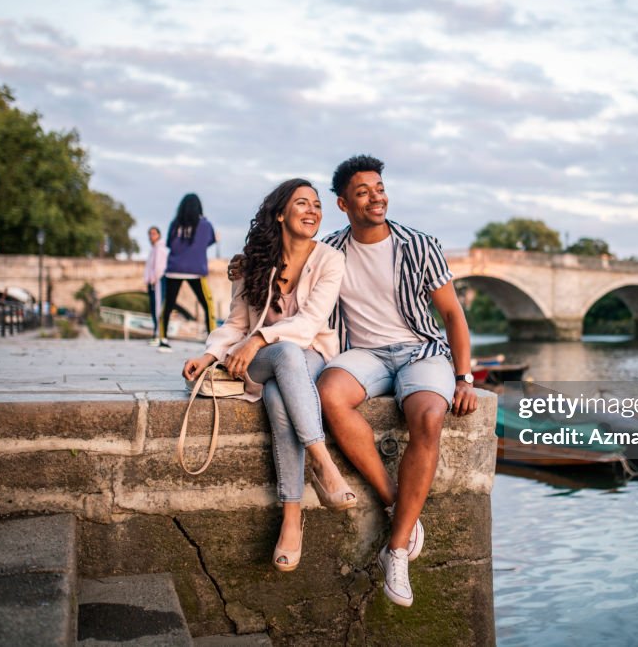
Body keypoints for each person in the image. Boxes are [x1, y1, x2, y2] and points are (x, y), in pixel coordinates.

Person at [316, 155, 479, 608]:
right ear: (343, 203)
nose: (376, 197)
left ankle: (398, 547)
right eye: (364, 191)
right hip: (363, 354)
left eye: (380, 187)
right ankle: (395, 502)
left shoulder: (419, 245)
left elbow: (451, 315)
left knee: (428, 416)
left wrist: (464, 377)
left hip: (419, 350)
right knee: (328, 394)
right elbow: (288, 283)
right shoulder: (328, 251)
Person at [182, 178, 356, 572]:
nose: (313, 210)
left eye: (316, 204)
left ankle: (292, 519)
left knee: (280, 392)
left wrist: (260, 339)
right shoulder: (252, 262)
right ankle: (324, 463)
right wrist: (210, 354)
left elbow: (311, 323)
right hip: (256, 360)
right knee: (284, 357)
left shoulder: (330, 259)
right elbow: (235, 324)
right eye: (301, 203)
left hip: (308, 354)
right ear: (280, 214)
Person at [159, 193, 216, 352]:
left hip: (174, 269)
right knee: (207, 304)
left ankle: (163, 340)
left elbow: (170, 244)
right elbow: (209, 241)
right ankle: (211, 338)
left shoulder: (175, 224)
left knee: (168, 305)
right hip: (195, 270)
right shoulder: (205, 225)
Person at [144, 226, 169, 346]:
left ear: (159, 235)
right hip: (152, 282)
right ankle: (156, 332)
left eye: (153, 233)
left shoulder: (160, 248)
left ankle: (159, 334)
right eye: (150, 234)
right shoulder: (153, 249)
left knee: (158, 307)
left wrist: (154, 279)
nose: (151, 236)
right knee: (154, 307)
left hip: (158, 281)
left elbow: (160, 266)